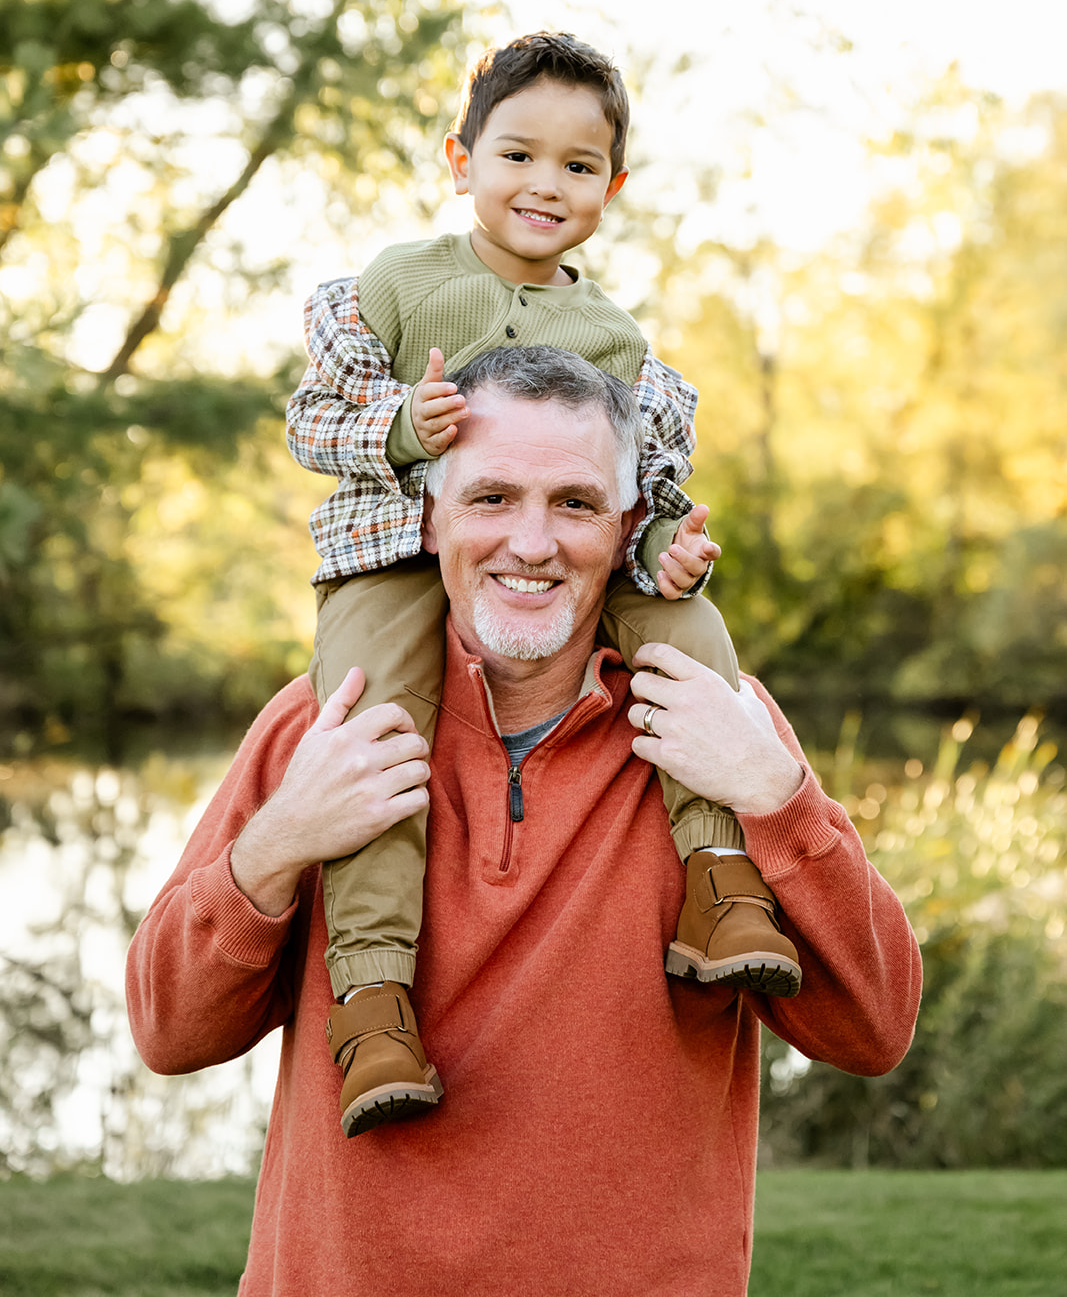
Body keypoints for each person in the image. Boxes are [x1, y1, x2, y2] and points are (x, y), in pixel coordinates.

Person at [126, 347, 922, 1297]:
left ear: (630, 523)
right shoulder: (322, 723)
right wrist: (276, 844)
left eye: (575, 503)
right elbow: (168, 1033)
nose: (533, 543)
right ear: (428, 515)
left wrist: (774, 795)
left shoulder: (714, 721)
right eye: (492, 497)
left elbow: (872, 1029)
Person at [285, 32, 799, 1136]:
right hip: (394, 552)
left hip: (564, 567)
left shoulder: (612, 338)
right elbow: (309, 422)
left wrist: (663, 539)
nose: (543, 185)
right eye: (516, 154)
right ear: (458, 158)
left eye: (577, 167)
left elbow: (642, 484)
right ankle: (373, 995)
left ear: (611, 189)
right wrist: (395, 427)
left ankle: (719, 883)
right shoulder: (390, 288)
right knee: (372, 726)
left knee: (688, 623)